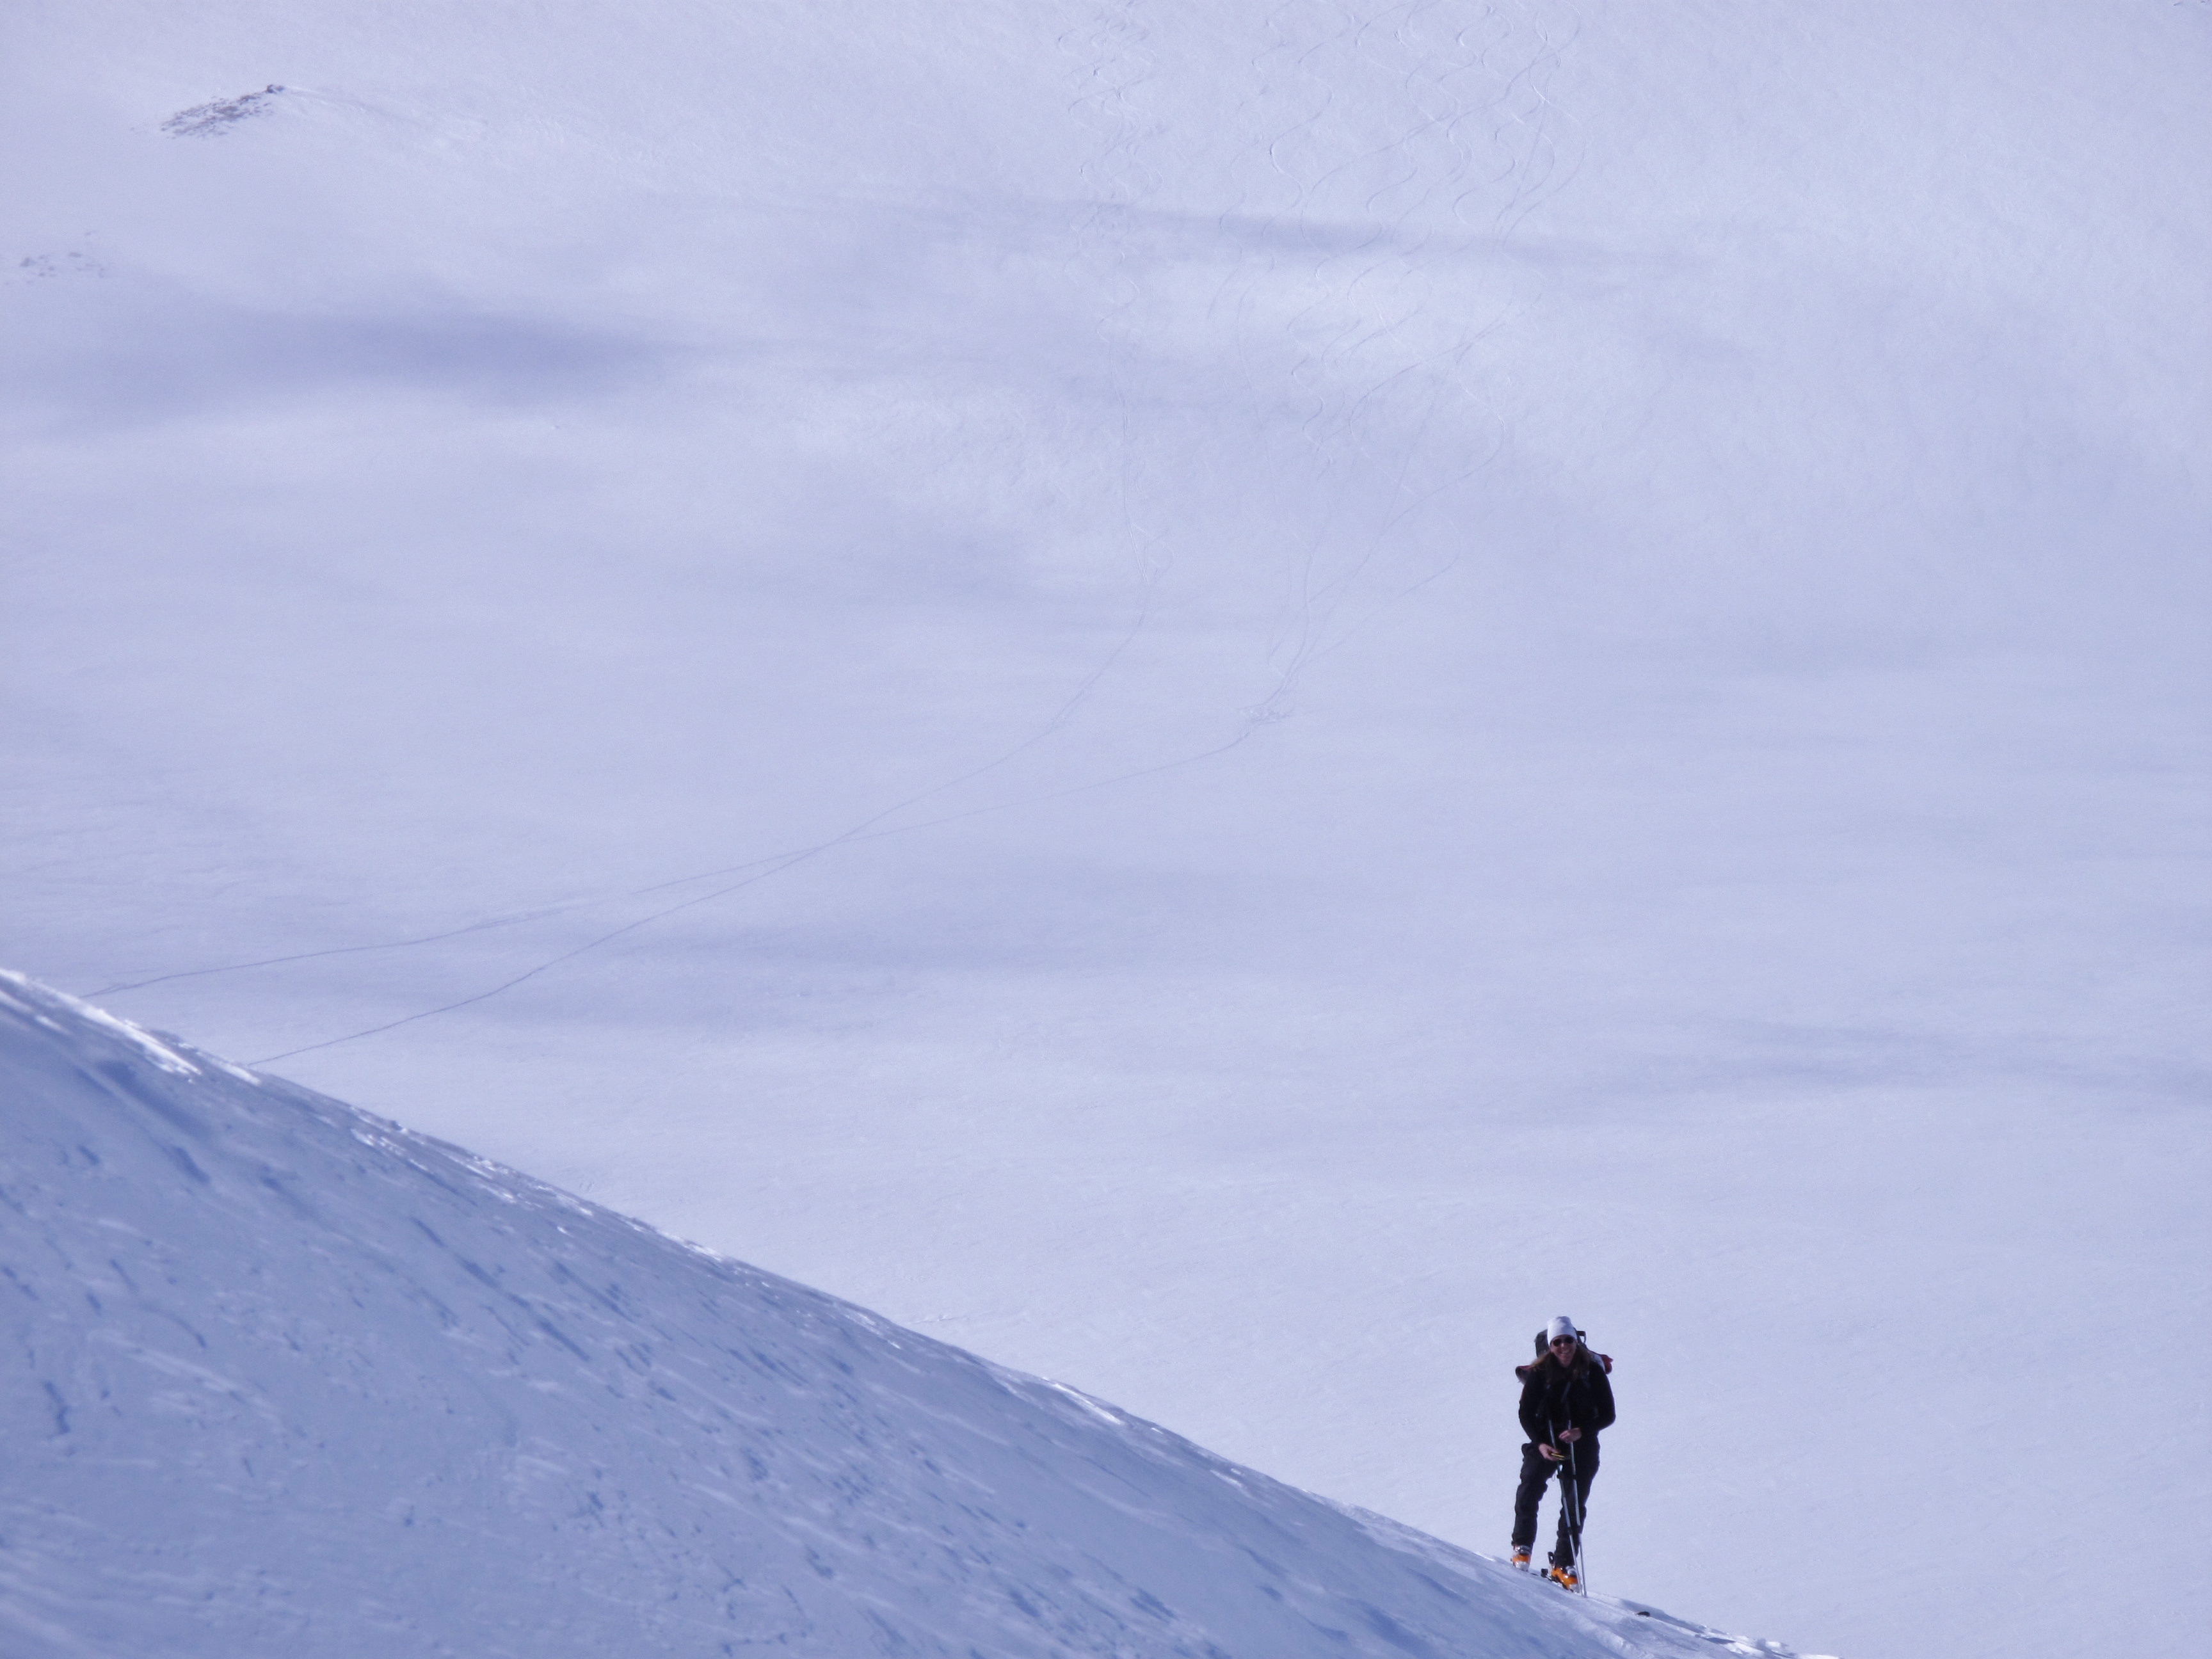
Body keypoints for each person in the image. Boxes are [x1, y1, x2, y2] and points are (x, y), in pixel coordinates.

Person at [1510, 1315, 1615, 1587]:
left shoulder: (1592, 1371)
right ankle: (1522, 1546)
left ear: (1576, 1341)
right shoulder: (1539, 1374)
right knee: (1530, 1487)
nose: (1564, 1347)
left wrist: (1583, 1431)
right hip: (1547, 1442)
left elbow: (1608, 1414)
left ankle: (1563, 1563)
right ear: (1550, 1345)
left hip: (1582, 1444)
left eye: (1568, 1340)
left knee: (1574, 1503)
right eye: (1557, 1342)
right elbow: (1525, 1414)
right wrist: (1539, 1443)